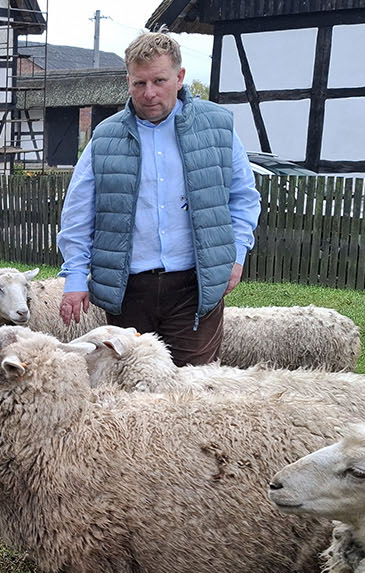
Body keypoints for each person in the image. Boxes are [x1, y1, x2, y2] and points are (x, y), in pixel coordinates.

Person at [57, 31, 260, 366]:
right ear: (128, 81)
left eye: (159, 81)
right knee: (130, 382)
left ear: (179, 78)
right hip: (128, 290)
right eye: (139, 83)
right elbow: (78, 214)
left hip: (195, 286)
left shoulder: (218, 129)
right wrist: (76, 277)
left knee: (192, 383)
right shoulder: (105, 138)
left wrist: (236, 256)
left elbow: (243, 198)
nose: (149, 93)